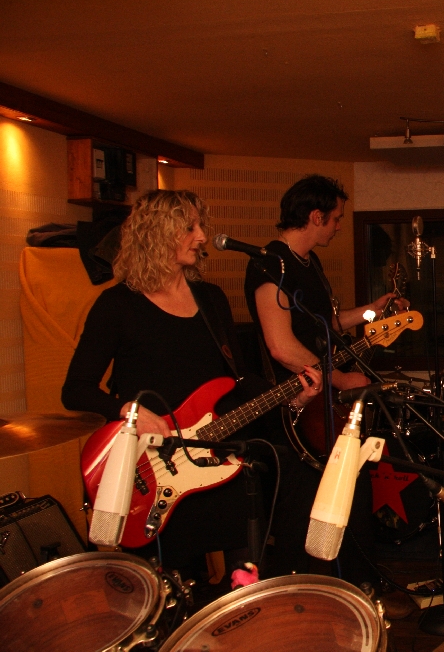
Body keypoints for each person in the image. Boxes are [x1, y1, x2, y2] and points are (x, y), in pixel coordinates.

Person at [62, 190, 320, 571]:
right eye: (189, 228)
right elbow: (75, 390)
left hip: (219, 461)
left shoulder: (211, 299)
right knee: (175, 586)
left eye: (200, 226)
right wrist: (131, 411)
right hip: (153, 472)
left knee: (246, 578)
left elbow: (239, 378)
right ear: (156, 234)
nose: (201, 236)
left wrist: (292, 398)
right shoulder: (117, 306)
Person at [243, 174, 405, 586]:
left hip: (324, 402)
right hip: (294, 409)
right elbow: (282, 347)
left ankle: (358, 584)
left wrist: (372, 311)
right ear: (316, 216)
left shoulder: (309, 263)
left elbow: (325, 326)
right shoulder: (269, 264)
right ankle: (293, 592)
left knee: (351, 489)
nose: (338, 226)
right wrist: (339, 377)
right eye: (335, 218)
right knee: (303, 508)